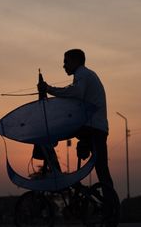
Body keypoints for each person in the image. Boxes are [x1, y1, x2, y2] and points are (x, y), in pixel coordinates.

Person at [38, 49, 114, 189]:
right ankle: (110, 204)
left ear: (76, 61)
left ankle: (55, 170)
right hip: (98, 128)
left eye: (66, 62)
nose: (64, 65)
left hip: (92, 127)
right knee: (102, 169)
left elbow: (74, 93)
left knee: (52, 133)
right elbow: (72, 100)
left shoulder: (82, 74)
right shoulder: (84, 76)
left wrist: (49, 89)